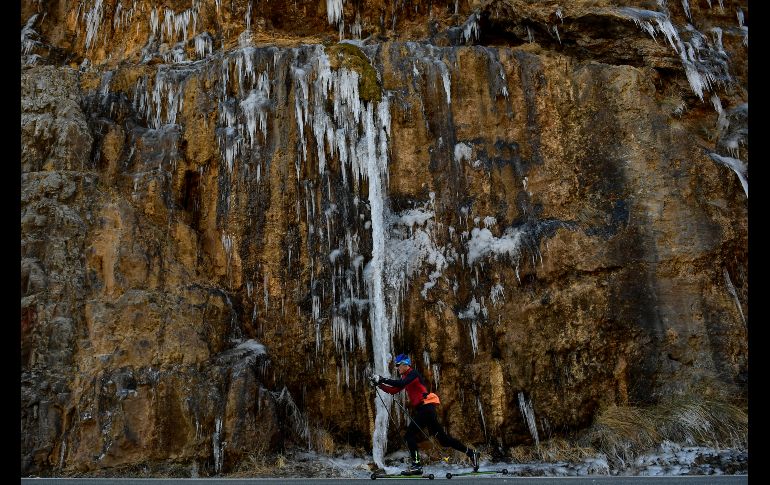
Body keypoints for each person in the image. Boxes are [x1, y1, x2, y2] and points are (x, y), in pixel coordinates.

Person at [369, 353, 480, 476]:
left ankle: (416, 465)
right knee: (444, 440)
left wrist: (382, 379)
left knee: (409, 436)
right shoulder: (406, 377)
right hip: (427, 410)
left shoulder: (413, 374)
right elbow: (394, 390)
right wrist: (379, 384)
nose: (397, 367)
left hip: (426, 408)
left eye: (398, 365)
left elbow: (399, 385)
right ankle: (471, 453)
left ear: (405, 364)